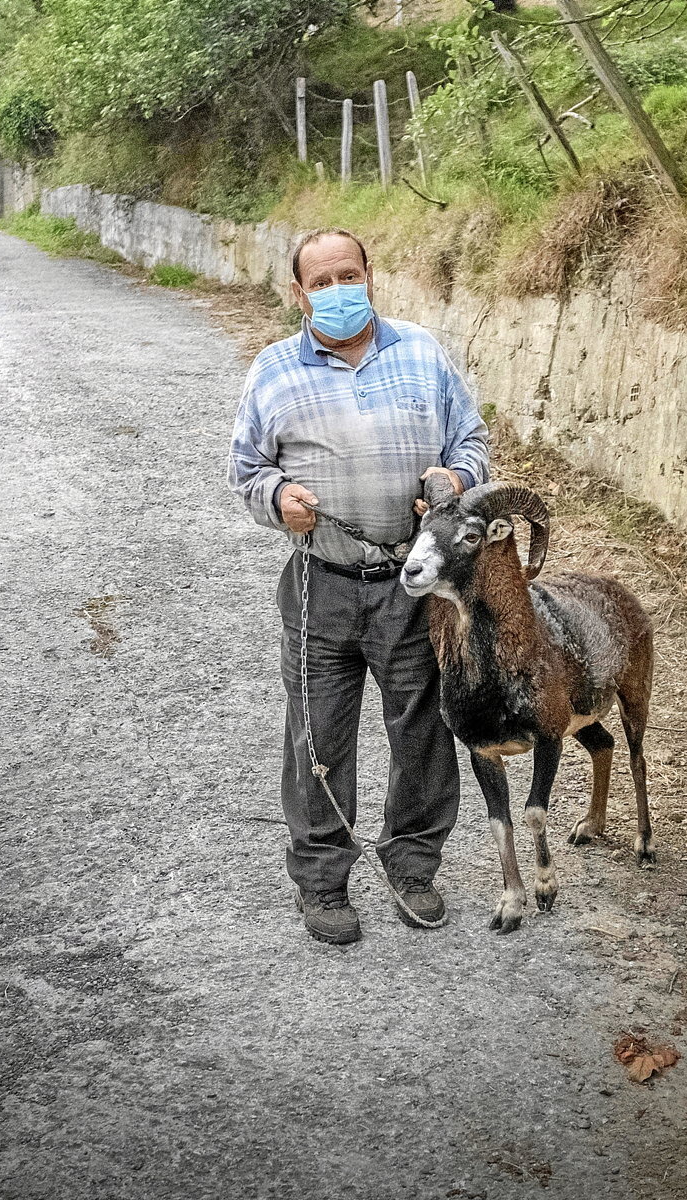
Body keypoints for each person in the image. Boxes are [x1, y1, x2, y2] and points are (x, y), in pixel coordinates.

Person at [228, 227, 489, 945]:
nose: (338, 289)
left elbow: (471, 442)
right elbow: (246, 471)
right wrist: (276, 496)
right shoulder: (274, 369)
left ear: (370, 275)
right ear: (298, 293)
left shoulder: (423, 355)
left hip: (412, 587)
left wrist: (456, 480)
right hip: (321, 584)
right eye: (322, 281)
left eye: (349, 274)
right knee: (317, 736)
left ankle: (413, 866)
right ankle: (322, 883)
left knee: (422, 733)